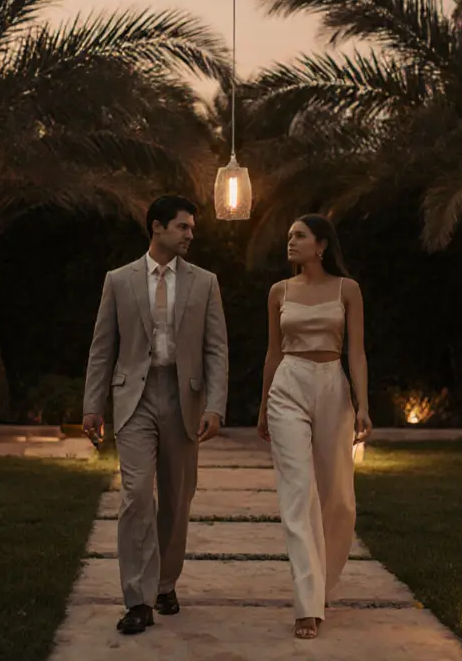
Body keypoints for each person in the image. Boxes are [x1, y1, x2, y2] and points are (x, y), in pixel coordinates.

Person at [82, 195, 229, 635]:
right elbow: (102, 347)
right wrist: (92, 405)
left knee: (177, 499)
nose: (190, 235)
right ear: (157, 227)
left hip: (184, 400)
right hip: (134, 399)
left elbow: (216, 350)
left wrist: (216, 405)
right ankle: (137, 599)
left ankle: (165, 583)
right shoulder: (118, 280)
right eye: (183, 226)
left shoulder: (206, 283)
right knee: (136, 496)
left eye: (192, 228)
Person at [257, 213, 372, 640]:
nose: (290, 241)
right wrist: (263, 406)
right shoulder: (279, 291)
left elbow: (356, 353)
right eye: (289, 235)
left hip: (332, 387)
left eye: (300, 235)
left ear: (321, 244)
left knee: (339, 498)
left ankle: (321, 584)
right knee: (297, 492)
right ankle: (307, 604)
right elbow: (273, 352)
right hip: (288, 385)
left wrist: (362, 404)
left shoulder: (347, 289)